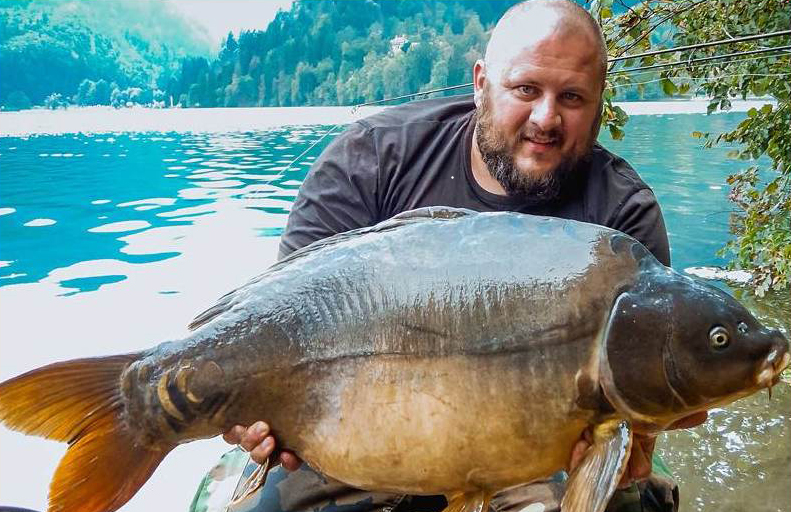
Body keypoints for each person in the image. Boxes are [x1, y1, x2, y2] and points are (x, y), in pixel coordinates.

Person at [192, 1, 706, 511]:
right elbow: (280, 324)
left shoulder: (621, 216)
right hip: (354, 437)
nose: (546, 118)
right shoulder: (373, 158)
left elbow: (634, 402)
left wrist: (631, 446)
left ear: (599, 103)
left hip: (529, 452)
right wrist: (246, 405)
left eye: (572, 97)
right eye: (526, 89)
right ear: (481, 83)